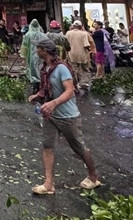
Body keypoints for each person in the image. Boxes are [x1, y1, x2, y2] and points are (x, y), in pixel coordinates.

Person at [28, 38, 101, 195]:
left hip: (68, 116)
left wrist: (54, 103)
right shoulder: (45, 68)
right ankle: (48, 184)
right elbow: (47, 88)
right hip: (50, 115)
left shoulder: (62, 68)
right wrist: (38, 95)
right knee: (47, 146)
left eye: (38, 49)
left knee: (79, 147)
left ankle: (93, 176)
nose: (36, 51)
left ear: (45, 51)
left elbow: (69, 91)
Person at [20, 19, 47, 94]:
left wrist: (23, 57)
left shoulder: (28, 35)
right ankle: (43, 86)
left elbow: (24, 47)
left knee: (33, 71)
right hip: (42, 56)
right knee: (41, 69)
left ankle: (36, 87)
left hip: (31, 56)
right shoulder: (43, 35)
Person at [65, 20, 91, 89]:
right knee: (85, 69)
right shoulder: (84, 33)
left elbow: (65, 44)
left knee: (74, 69)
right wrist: (90, 50)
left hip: (72, 54)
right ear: (80, 26)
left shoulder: (68, 33)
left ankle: (75, 84)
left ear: (73, 26)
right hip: (82, 54)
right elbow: (86, 45)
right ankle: (84, 83)